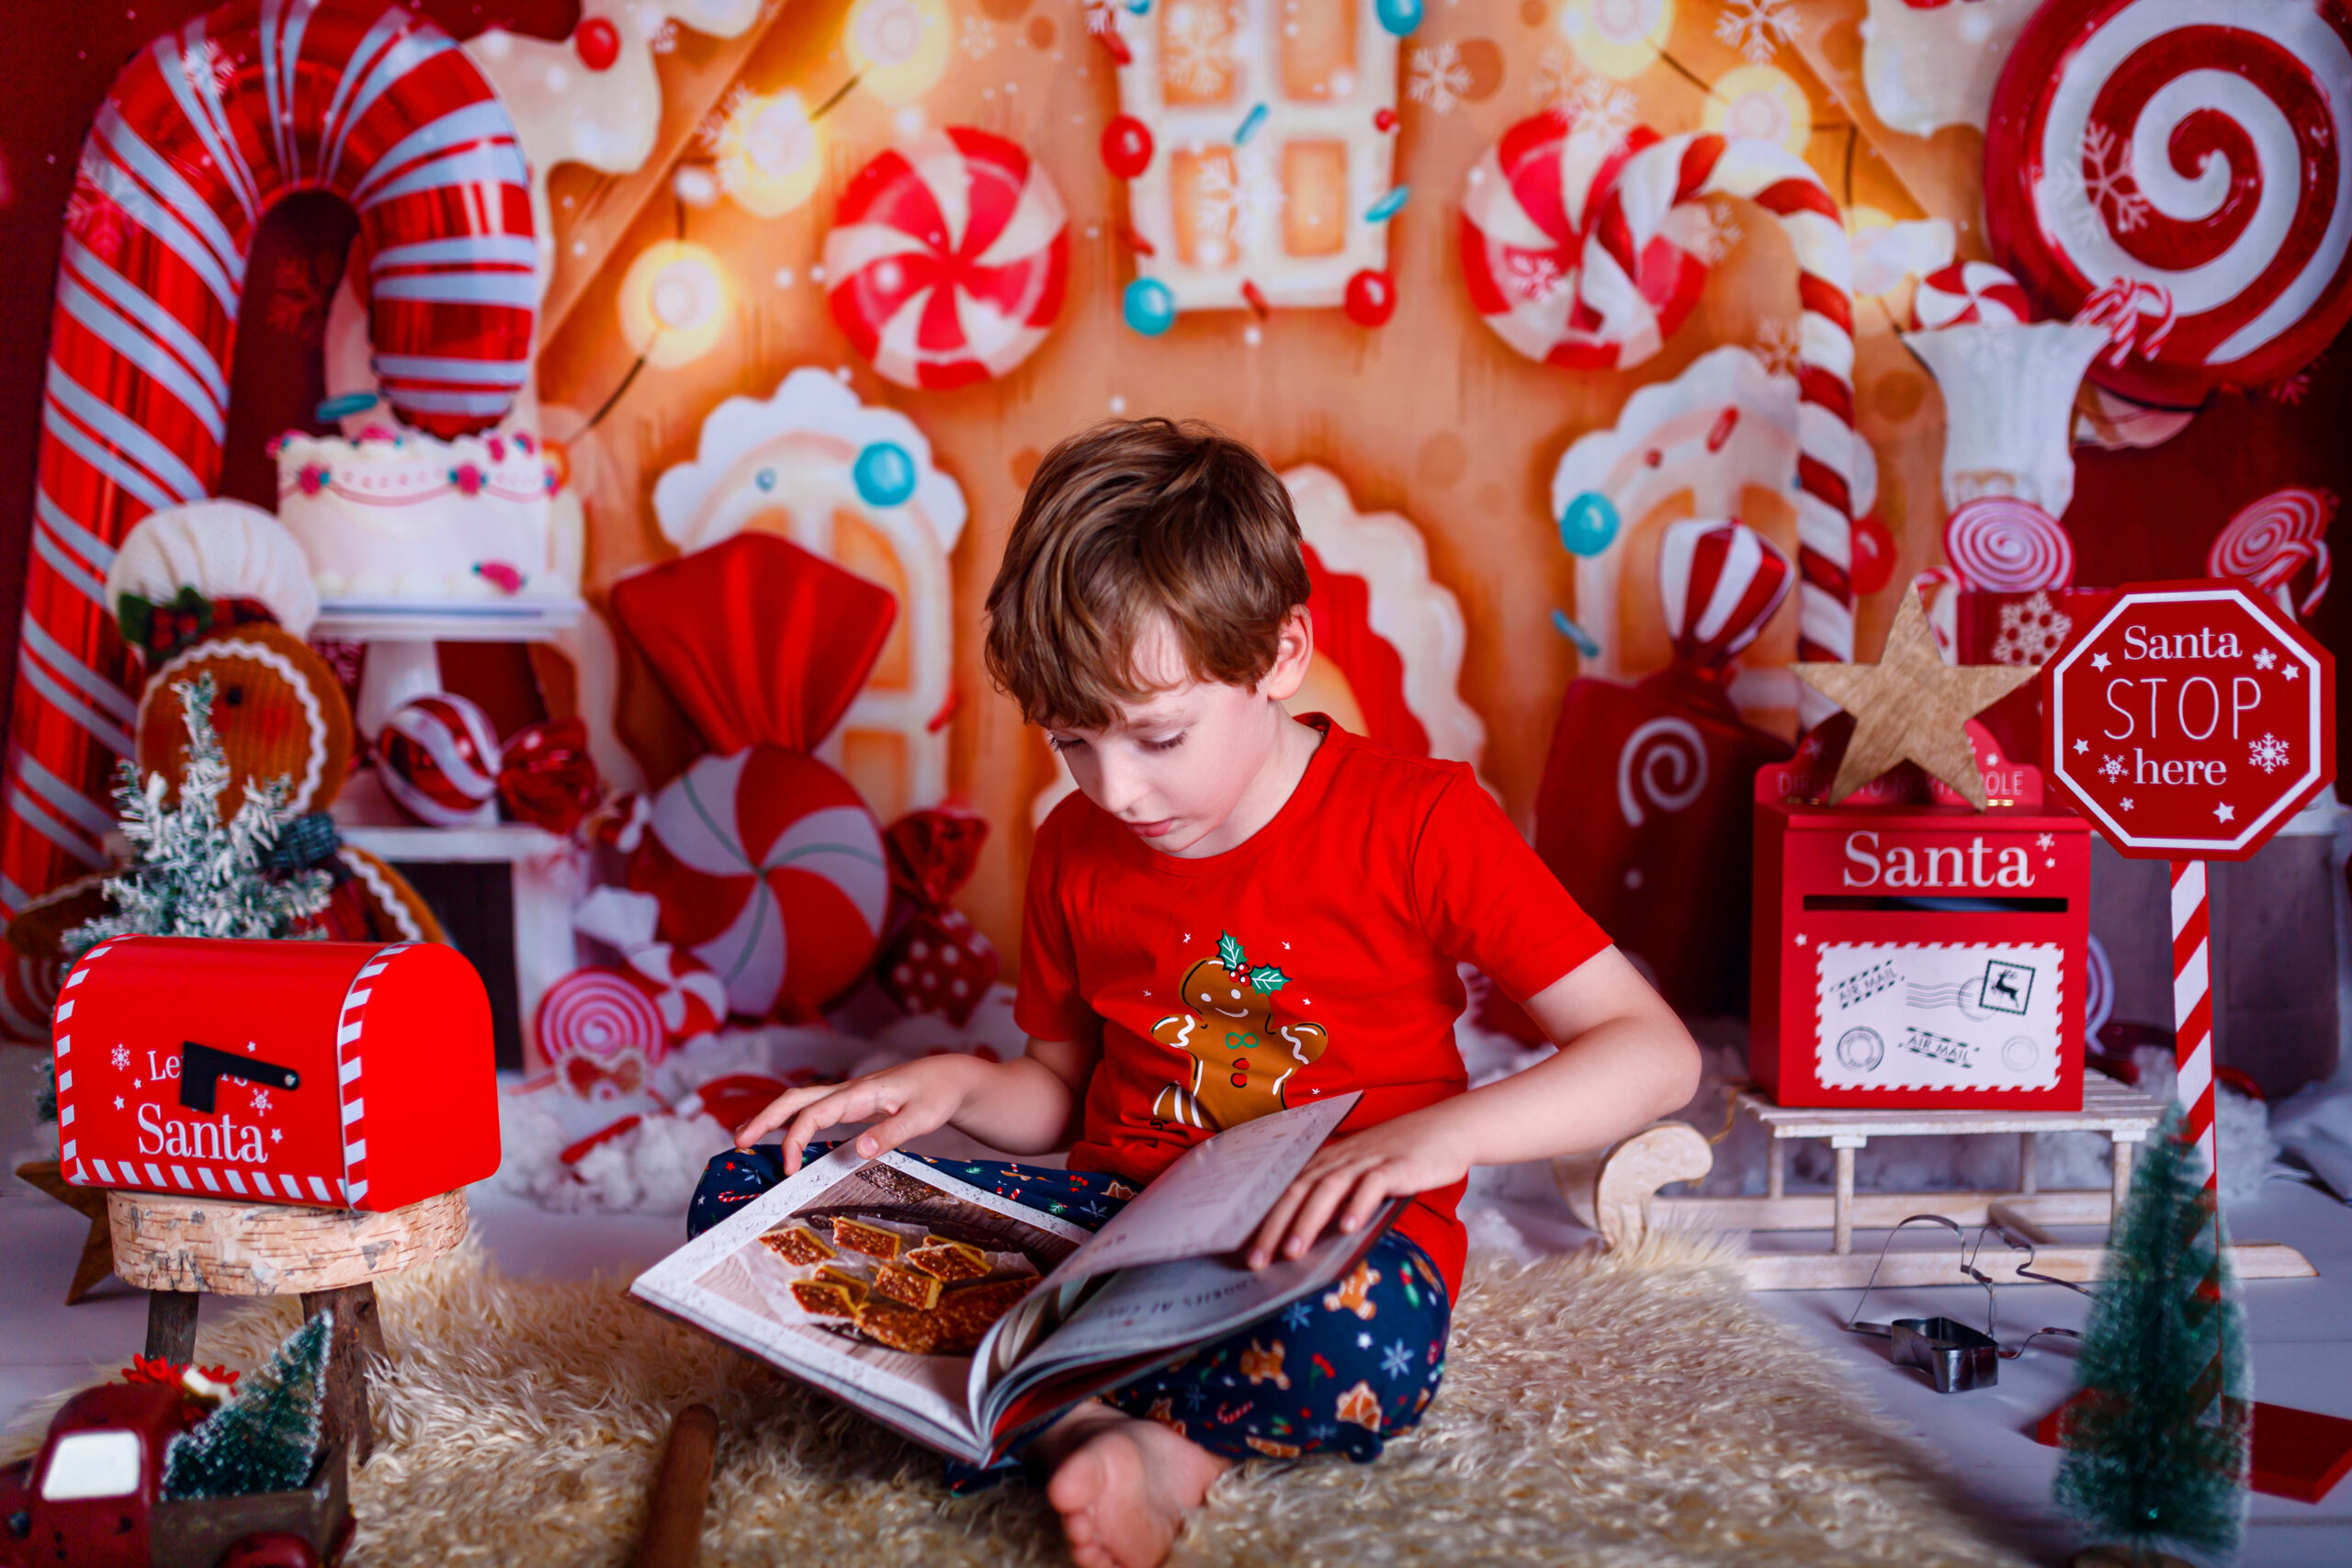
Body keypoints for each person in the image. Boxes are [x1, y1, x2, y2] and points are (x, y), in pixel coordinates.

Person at [696, 419, 1702, 1568]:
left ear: (1280, 655)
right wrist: (949, 1085)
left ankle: (1163, 1457)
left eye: (1157, 735)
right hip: (1103, 1244)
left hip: (1312, 1259)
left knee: (1369, 1347)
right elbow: (1057, 1095)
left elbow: (1650, 1054)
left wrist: (1430, 1142)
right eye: (1071, 741)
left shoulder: (1420, 819)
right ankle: (1076, 1416)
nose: (1115, 789)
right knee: (748, 1194)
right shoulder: (1076, 844)